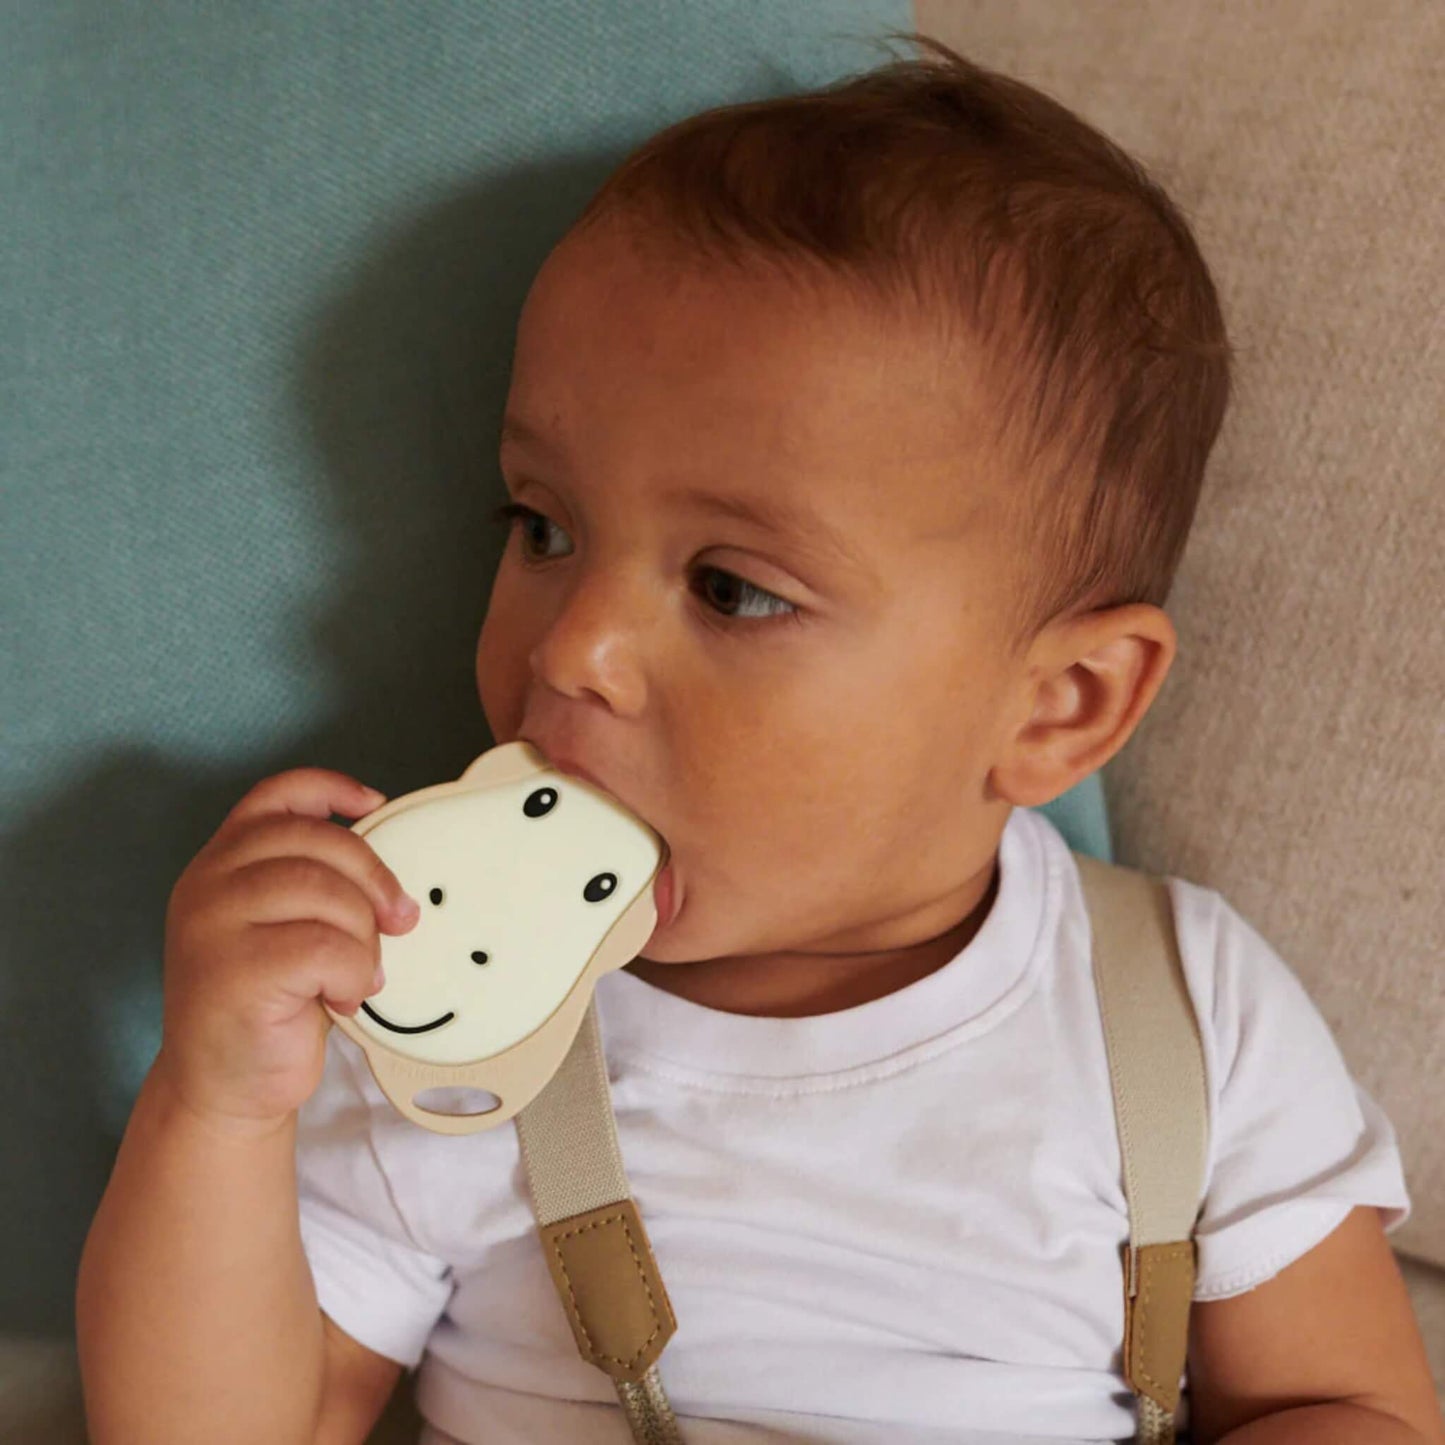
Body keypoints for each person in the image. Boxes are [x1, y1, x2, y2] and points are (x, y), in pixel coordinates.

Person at [74, 36, 1443, 1445]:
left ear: (1059, 707)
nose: (570, 649)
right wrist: (217, 1108)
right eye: (542, 526)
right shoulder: (437, 1018)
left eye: (732, 587)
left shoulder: (1180, 1005)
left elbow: (1350, 1407)